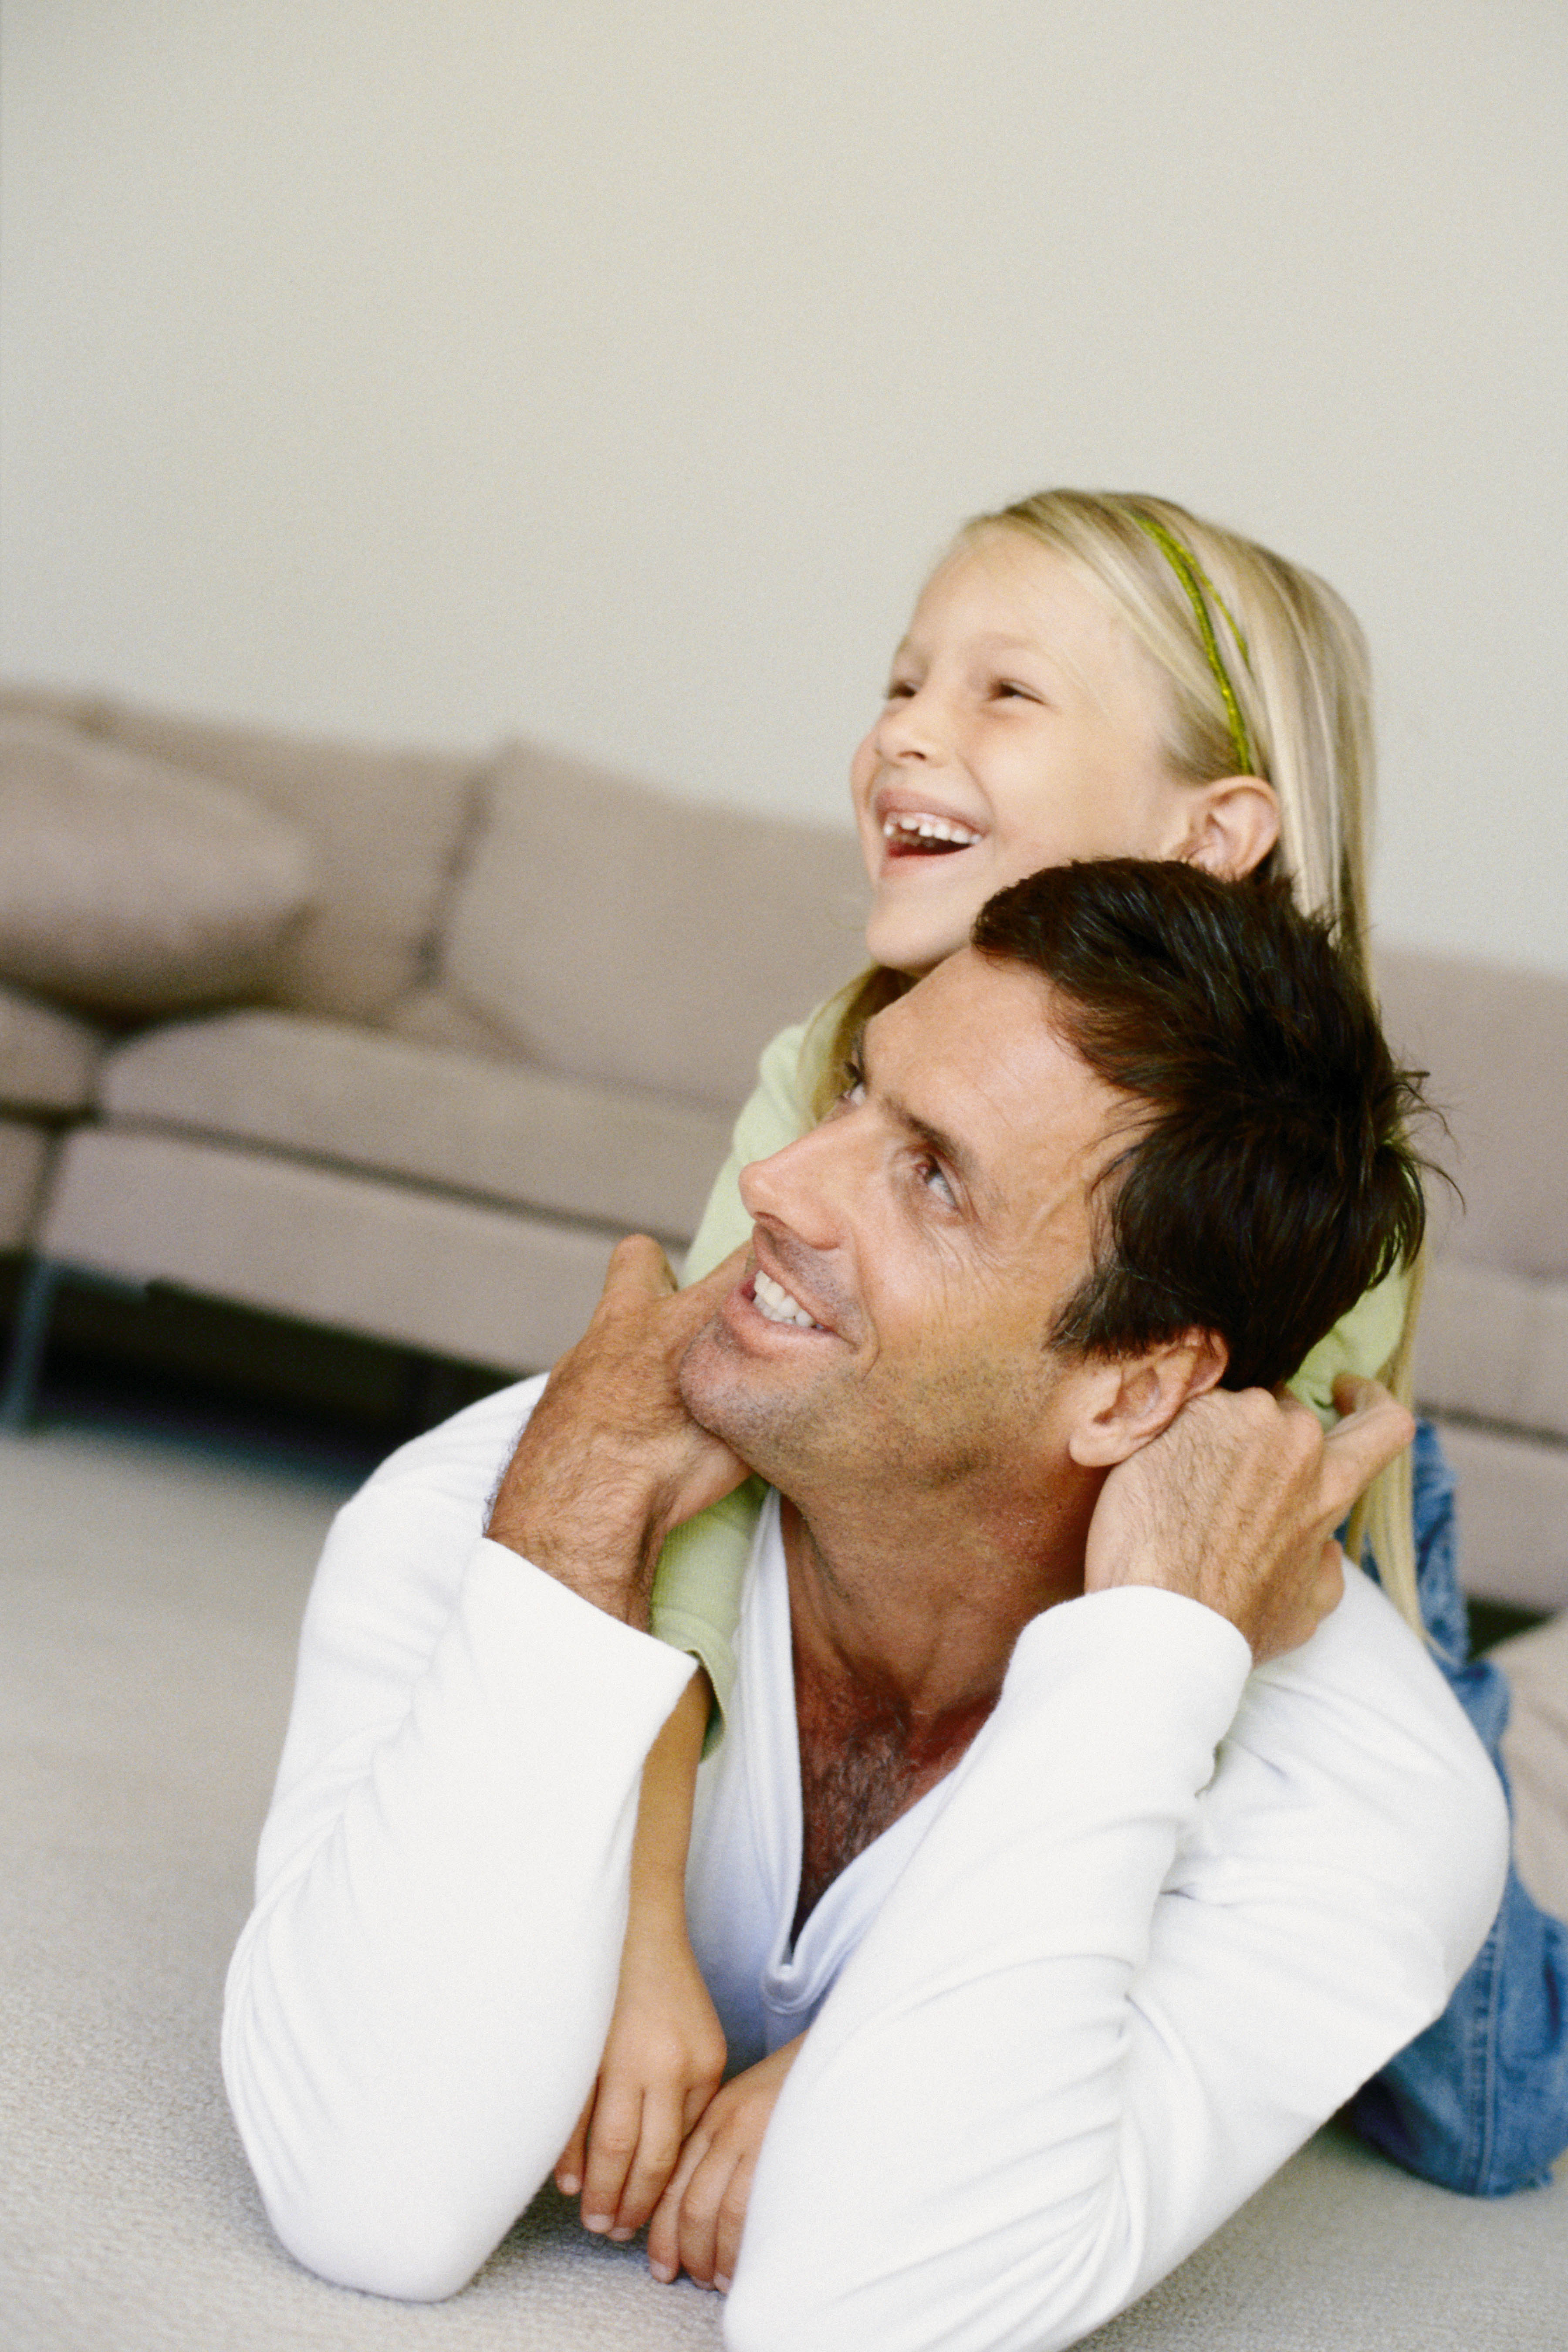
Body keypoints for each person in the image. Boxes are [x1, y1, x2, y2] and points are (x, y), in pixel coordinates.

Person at [223, 860, 1509, 2351]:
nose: (778, 1183)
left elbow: (862, 2311)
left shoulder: (1372, 1798)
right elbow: (365, 2200)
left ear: (1140, 1387)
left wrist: (1153, 1651)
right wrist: (571, 1526)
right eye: (853, 1094)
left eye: (934, 1176)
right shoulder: (502, 1504)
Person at [562, 490, 1568, 2268]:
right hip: (1009, 1556)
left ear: (1218, 829)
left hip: (1275, 1567)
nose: (908, 731)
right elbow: (682, 1521)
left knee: (1488, 2111)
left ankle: (1511, 1722)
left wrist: (861, 2051)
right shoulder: (821, 1063)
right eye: (903, 679)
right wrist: (643, 1930)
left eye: (1005, 695)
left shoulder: (1287, 1196)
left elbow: (1164, 1688)